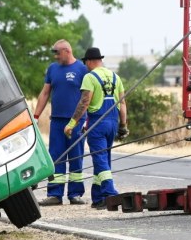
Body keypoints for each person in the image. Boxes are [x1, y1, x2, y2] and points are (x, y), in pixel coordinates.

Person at [64, 47, 127, 209]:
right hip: (112, 122)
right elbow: (123, 103)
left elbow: (84, 102)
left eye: (86, 63)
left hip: (97, 123)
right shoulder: (116, 77)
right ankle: (98, 198)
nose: (85, 66)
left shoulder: (90, 77)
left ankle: (110, 193)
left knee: (99, 159)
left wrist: (72, 124)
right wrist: (123, 126)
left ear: (91, 61)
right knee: (104, 159)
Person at [33, 39, 88, 206]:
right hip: (56, 122)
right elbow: (44, 93)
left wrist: (87, 120)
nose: (56, 56)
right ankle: (55, 194)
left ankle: (75, 194)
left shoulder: (82, 69)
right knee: (56, 157)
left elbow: (88, 97)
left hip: (76, 122)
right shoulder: (52, 69)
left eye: (57, 53)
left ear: (66, 51)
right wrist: (35, 116)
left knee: (76, 157)